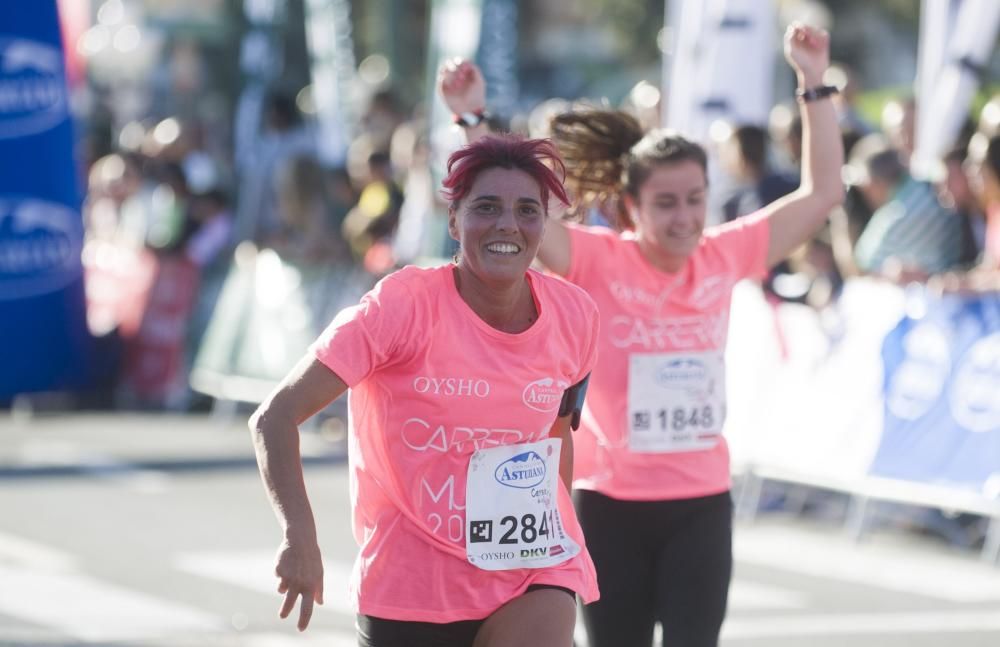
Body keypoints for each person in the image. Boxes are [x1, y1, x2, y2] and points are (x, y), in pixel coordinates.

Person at [440, 23, 843, 647]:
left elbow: (822, 195)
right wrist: (474, 121)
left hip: (701, 504)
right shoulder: (599, 259)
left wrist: (813, 83)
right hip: (608, 504)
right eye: (666, 203)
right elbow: (521, 210)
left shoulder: (724, 254)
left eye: (695, 200)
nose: (684, 218)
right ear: (632, 207)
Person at [249, 134, 601, 647]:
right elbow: (274, 418)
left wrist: (561, 530)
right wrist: (298, 534)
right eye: (486, 207)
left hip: (530, 569)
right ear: (454, 220)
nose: (508, 224)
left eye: (528, 210)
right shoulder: (401, 307)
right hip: (410, 584)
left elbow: (556, 436)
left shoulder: (575, 315)